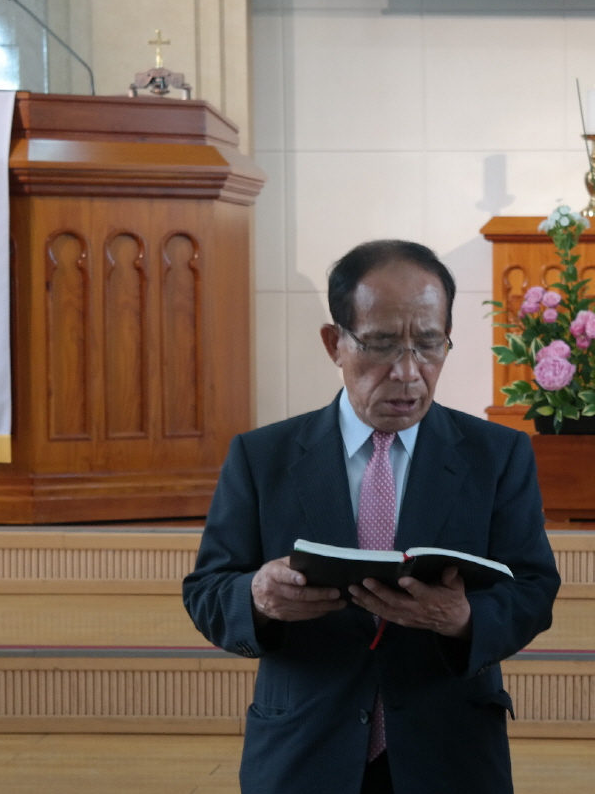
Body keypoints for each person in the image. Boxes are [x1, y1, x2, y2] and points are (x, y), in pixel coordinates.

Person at [183, 239, 560, 794]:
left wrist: (464, 619)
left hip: (450, 755)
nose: (407, 372)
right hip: (303, 754)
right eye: (381, 344)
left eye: (428, 344)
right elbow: (207, 592)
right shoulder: (263, 458)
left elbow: (534, 588)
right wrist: (257, 598)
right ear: (334, 343)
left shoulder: (497, 455)